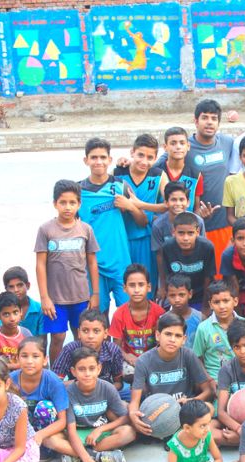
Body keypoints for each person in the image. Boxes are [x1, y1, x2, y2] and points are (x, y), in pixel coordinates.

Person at [35, 179, 100, 363]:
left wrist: (94, 294)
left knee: (82, 337)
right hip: (55, 299)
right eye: (63, 202)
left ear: (79, 203)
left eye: (72, 202)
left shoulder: (85, 229)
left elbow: (92, 263)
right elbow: (40, 264)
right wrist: (44, 297)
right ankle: (55, 373)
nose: (67, 207)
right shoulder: (46, 229)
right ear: (55, 203)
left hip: (80, 296)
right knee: (58, 338)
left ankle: (82, 369)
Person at [128, 313, 215, 439]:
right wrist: (133, 415)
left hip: (185, 409)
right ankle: (177, 435)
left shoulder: (188, 355)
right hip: (158, 412)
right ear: (158, 335)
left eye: (178, 336)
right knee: (130, 418)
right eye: (168, 334)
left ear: (184, 339)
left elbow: (208, 391)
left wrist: (191, 401)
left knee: (209, 407)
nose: (172, 339)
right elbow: (135, 401)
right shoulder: (143, 360)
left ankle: (173, 435)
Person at [77, 138, 134, 312]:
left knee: (127, 315)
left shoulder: (121, 186)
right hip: (94, 264)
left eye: (103, 157)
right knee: (97, 316)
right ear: (86, 160)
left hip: (120, 263)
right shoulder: (78, 191)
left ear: (110, 160)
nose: (98, 162)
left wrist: (130, 206)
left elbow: (142, 219)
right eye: (93, 157)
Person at [62, 346, 131, 462]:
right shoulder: (69, 392)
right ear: (73, 371)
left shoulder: (107, 387)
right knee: (51, 440)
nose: (87, 374)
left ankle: (76, 455)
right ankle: (97, 456)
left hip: (100, 433)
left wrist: (100, 429)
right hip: (78, 433)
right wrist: (88, 461)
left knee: (128, 432)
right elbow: (71, 431)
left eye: (92, 368)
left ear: (99, 369)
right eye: (81, 369)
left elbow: (125, 417)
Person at [112, 134, 164, 285]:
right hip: (121, 238)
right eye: (140, 155)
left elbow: (168, 205)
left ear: (155, 158)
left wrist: (139, 205)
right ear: (132, 152)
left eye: (150, 157)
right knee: (124, 287)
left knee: (146, 284)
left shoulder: (159, 176)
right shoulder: (117, 173)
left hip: (146, 238)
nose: (144, 161)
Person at [181, 99, 236, 243]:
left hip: (225, 222)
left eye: (214, 118)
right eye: (205, 117)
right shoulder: (185, 146)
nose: (209, 122)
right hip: (198, 224)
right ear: (196, 121)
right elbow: (159, 163)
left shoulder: (228, 142)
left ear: (218, 123)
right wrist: (129, 162)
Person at [10, 337, 70, 462]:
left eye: (35, 356)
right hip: (21, 431)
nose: (29, 361)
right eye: (24, 356)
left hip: (44, 433)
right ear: (17, 359)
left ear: (45, 360)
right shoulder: (10, 380)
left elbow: (62, 421)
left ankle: (44, 450)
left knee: (45, 407)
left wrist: (40, 435)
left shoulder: (53, 381)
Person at [163, 399, 230, 462]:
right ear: (187, 428)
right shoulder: (175, 444)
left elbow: (218, 460)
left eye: (209, 423)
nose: (207, 429)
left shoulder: (207, 434)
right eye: (203, 425)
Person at [108, 264, 165, 370]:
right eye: (132, 285)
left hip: (154, 358)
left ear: (148, 287)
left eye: (141, 285)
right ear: (124, 288)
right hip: (131, 360)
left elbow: (163, 343)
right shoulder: (119, 314)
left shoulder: (159, 312)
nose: (137, 290)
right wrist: (127, 356)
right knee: (128, 372)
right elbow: (116, 347)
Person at [159, 212, 217, 312]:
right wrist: (163, 289)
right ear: (173, 232)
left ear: (197, 232)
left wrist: (206, 306)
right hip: (178, 296)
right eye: (181, 233)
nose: (186, 238)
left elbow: (209, 278)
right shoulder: (167, 247)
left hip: (200, 295)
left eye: (190, 233)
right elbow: (165, 272)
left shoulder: (207, 247)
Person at [52, 308, 125, 387]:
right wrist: (81, 384)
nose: (90, 336)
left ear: (105, 333)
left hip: (105, 393)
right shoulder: (69, 349)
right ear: (79, 333)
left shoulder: (113, 350)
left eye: (96, 331)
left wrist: (104, 390)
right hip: (76, 392)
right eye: (85, 331)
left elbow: (118, 382)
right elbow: (55, 382)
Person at [192, 281, 245, 381]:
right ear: (210, 305)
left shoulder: (244, 324)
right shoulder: (203, 328)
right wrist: (209, 381)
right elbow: (197, 358)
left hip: (242, 377)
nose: (222, 306)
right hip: (216, 379)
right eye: (216, 302)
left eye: (226, 301)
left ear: (235, 301)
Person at [151, 183, 207, 274]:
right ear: (166, 202)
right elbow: (160, 256)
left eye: (181, 200)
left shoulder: (198, 222)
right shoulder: (158, 225)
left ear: (188, 202)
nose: (178, 204)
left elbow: (203, 249)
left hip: (194, 269)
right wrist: (162, 283)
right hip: (171, 272)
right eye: (173, 200)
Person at [158, 126, 204, 213]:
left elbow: (196, 209)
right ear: (165, 147)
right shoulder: (155, 172)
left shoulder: (196, 175)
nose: (178, 147)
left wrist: (203, 214)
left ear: (188, 146)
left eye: (182, 143)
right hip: (159, 224)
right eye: (173, 143)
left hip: (186, 224)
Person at [0, 292, 31, 367]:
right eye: (6, 314)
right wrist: (17, 366)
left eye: (15, 312)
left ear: (21, 312)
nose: (12, 318)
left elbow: (31, 361)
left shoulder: (26, 334)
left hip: (22, 375)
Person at [3, 267, 44, 337]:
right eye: (11, 287)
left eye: (19, 285)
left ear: (28, 286)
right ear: (6, 289)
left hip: (33, 347)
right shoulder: (2, 309)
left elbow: (43, 340)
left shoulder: (39, 309)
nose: (16, 290)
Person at [165, 274, 203, 342]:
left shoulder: (200, 318)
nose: (177, 300)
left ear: (190, 294)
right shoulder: (163, 320)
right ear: (167, 296)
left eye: (181, 295)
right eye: (172, 295)